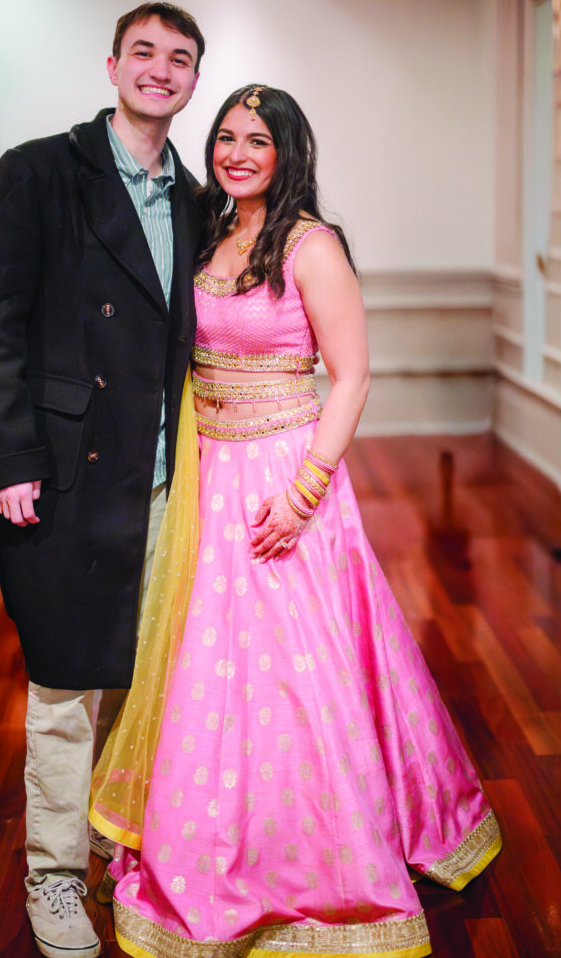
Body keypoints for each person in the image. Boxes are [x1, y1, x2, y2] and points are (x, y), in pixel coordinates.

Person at [89, 86, 502, 958]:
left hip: (283, 478)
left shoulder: (310, 246)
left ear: (287, 154)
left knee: (296, 676)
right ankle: (209, 835)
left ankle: (319, 857)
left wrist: (305, 490)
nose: (237, 152)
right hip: (210, 471)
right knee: (208, 667)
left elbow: (350, 376)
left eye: (258, 141)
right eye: (227, 137)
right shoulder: (206, 233)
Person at [0, 2, 205, 958]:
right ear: (111, 65)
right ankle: (54, 877)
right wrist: (12, 457)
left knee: (150, 681)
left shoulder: (196, 200)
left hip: (166, 478)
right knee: (67, 686)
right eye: (143, 52)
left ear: (191, 81)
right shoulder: (39, 171)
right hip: (66, 472)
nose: (159, 69)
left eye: (178, 59)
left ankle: (122, 851)